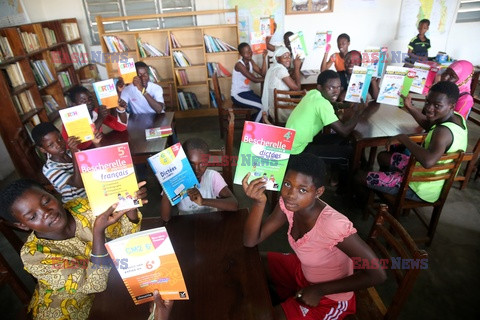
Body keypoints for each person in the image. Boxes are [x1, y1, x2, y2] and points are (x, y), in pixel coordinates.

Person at [242, 153, 386, 320]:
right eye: (287, 184)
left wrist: (320, 290)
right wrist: (259, 202)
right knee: (253, 263)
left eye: (302, 189)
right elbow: (250, 241)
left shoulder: (333, 225)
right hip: (304, 270)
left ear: (318, 192)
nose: (291, 194)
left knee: (270, 317)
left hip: (331, 296)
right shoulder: (288, 204)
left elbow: (378, 274)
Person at [0, 179, 147, 320]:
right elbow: (95, 284)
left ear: (52, 194)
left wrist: (130, 208)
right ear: (22, 225)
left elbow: (125, 236)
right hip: (69, 311)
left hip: (108, 289)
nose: (46, 212)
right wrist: (98, 232)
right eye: (32, 216)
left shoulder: (79, 207)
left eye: (46, 201)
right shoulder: (33, 255)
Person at [360, 81, 468, 203]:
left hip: (420, 187)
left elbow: (428, 162)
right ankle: (387, 189)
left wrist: (403, 138)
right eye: (427, 102)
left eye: (437, 105)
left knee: (359, 177)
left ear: (452, 106)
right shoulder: (456, 118)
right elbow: (428, 124)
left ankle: (387, 196)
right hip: (428, 177)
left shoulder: (442, 132)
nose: (429, 108)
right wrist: (410, 107)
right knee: (383, 156)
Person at [286, 70, 366, 189]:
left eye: (338, 87)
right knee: (348, 152)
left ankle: (335, 173)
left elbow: (332, 105)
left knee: (340, 140)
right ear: (320, 87)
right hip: (296, 153)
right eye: (331, 88)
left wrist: (344, 106)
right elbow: (344, 131)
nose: (336, 91)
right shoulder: (322, 104)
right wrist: (359, 112)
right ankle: (343, 190)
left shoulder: (313, 93)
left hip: (292, 143)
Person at [160, 138, 238, 220]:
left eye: (202, 164)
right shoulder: (176, 180)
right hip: (186, 224)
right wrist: (168, 183)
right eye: (191, 164)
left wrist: (203, 201)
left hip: (211, 222)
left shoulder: (213, 177)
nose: (196, 169)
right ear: (183, 162)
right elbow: (165, 218)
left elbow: (234, 205)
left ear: (207, 161)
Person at [32, 122, 86, 203]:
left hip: (91, 194)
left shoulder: (70, 152)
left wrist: (97, 142)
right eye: (51, 145)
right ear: (42, 149)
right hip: (79, 205)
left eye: (60, 139)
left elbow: (94, 167)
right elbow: (79, 183)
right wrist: (74, 153)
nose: (58, 145)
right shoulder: (49, 168)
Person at [64, 85, 126, 150]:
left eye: (90, 98)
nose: (89, 102)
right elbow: (84, 145)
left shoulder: (95, 112)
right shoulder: (69, 121)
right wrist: (100, 118)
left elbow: (121, 127)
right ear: (74, 105)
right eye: (84, 101)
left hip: (100, 148)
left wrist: (121, 109)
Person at [262, 47, 302, 123]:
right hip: (281, 111)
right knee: (308, 108)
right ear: (277, 58)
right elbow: (297, 89)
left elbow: (290, 78)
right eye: (284, 57)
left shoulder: (273, 67)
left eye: (289, 56)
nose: (288, 59)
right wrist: (297, 67)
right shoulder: (280, 70)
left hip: (275, 108)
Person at [231, 43, 267, 122]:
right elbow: (254, 79)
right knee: (262, 107)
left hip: (247, 93)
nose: (249, 54)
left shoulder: (251, 61)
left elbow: (262, 73)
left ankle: (250, 123)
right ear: (241, 54)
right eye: (246, 53)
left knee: (265, 104)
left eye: (250, 51)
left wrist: (264, 59)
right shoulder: (239, 65)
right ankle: (253, 131)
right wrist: (268, 79)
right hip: (238, 95)